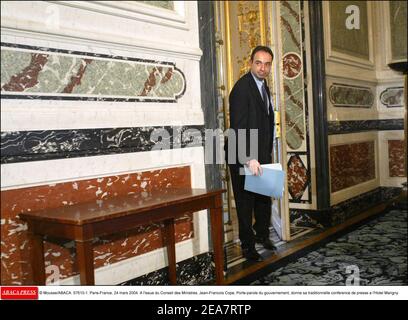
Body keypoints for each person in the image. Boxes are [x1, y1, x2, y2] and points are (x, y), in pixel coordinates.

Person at [225, 45, 276, 261]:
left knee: (264, 198)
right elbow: (237, 128)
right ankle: (247, 246)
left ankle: (261, 234)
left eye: (267, 64)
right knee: (245, 203)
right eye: (258, 63)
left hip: (261, 152)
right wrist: (249, 158)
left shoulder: (264, 87)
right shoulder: (241, 89)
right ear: (250, 63)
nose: (262, 68)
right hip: (242, 154)